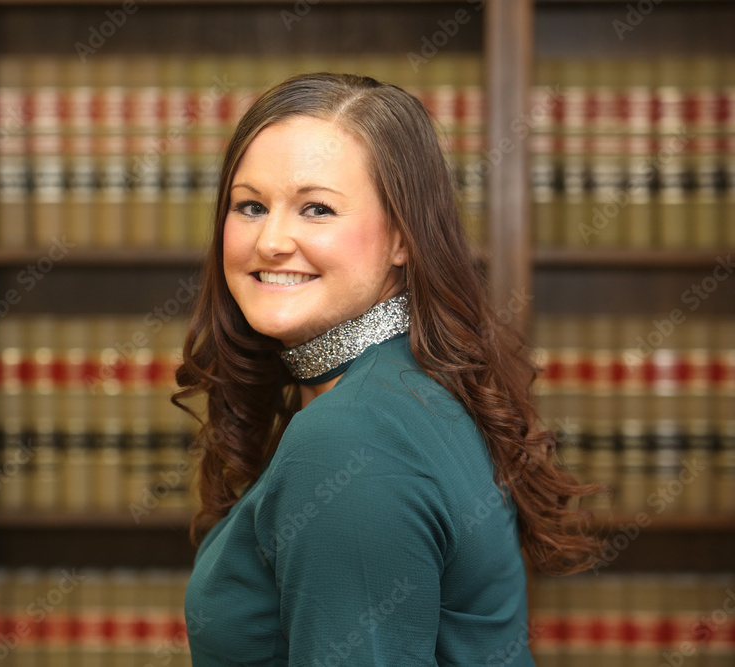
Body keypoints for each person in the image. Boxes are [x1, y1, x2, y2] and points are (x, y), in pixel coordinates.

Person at [171, 72, 601, 666]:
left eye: (317, 208)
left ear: (403, 238)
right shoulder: (404, 386)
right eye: (250, 206)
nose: (270, 240)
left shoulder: (350, 437)